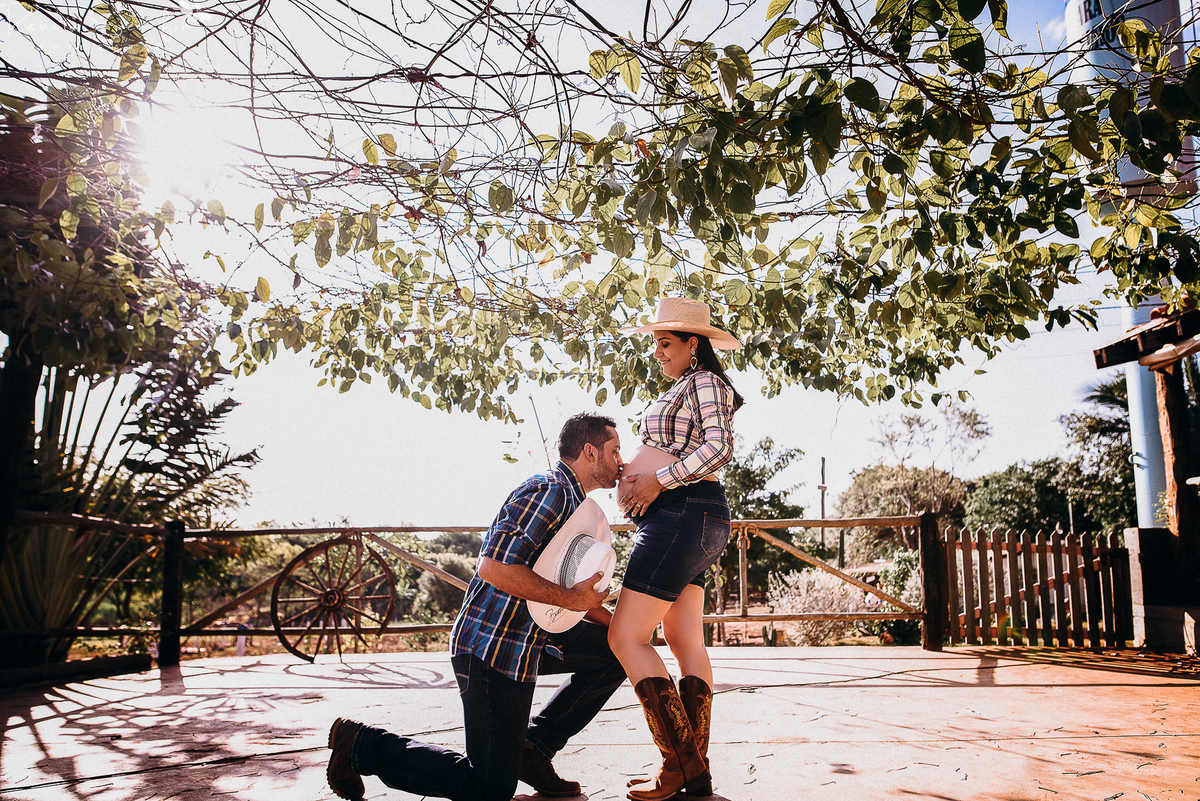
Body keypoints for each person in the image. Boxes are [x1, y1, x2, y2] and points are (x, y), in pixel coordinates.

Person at [326, 413, 627, 801]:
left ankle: (532, 750)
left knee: (617, 650)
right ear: (589, 452)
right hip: (492, 648)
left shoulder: (575, 504)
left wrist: (621, 624)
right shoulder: (549, 491)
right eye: (614, 450)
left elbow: (566, 591)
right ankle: (361, 745)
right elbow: (494, 568)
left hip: (530, 641)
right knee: (489, 789)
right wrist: (574, 599)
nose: (621, 460)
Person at [610, 297, 744, 801]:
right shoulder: (684, 387)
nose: (658, 353)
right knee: (684, 637)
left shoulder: (706, 382)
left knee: (626, 636)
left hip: (685, 512)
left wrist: (657, 482)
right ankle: (696, 773)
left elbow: (720, 447)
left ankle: (679, 767)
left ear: (694, 345)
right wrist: (638, 485)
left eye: (666, 343)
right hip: (691, 515)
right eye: (656, 344)